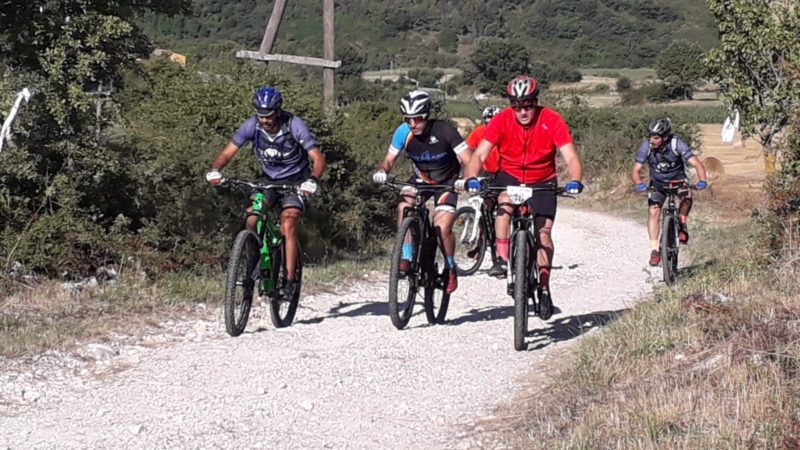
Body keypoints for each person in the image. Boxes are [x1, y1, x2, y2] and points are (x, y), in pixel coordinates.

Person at [462, 75, 584, 308]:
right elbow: (480, 154)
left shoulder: (551, 119)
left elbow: (570, 156)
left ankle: (544, 287)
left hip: (542, 178)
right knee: (504, 207)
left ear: (535, 102)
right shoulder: (501, 120)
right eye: (517, 107)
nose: (523, 112)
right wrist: (472, 177)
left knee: (543, 234)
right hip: (510, 174)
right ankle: (502, 260)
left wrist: (575, 180)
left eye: (528, 106)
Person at [205, 86, 326, 299]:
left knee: (288, 223)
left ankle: (289, 281)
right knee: (252, 216)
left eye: (268, 116)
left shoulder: (293, 125)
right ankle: (252, 262)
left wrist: (312, 180)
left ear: (277, 112)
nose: (264, 120)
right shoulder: (251, 126)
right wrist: (215, 170)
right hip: (268, 180)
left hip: (296, 182)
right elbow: (227, 152)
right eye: (260, 116)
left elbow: (317, 157)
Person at [372, 90, 472, 294]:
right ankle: (407, 256)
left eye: (417, 119)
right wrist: (382, 172)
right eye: (407, 119)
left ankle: (450, 266)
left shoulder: (445, 130)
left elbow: (469, 159)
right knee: (404, 203)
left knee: (441, 226)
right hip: (420, 180)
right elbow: (389, 161)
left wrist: (467, 179)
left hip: (447, 182)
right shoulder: (403, 132)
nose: (412, 124)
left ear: (426, 116)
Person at [631, 117, 708, 266]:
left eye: (656, 137)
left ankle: (682, 224)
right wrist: (639, 183)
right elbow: (635, 170)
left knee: (687, 198)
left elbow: (697, 164)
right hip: (658, 183)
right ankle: (655, 250)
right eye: (650, 136)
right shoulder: (646, 147)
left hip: (678, 181)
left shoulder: (676, 144)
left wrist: (702, 180)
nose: (651, 140)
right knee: (654, 210)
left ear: (665, 137)